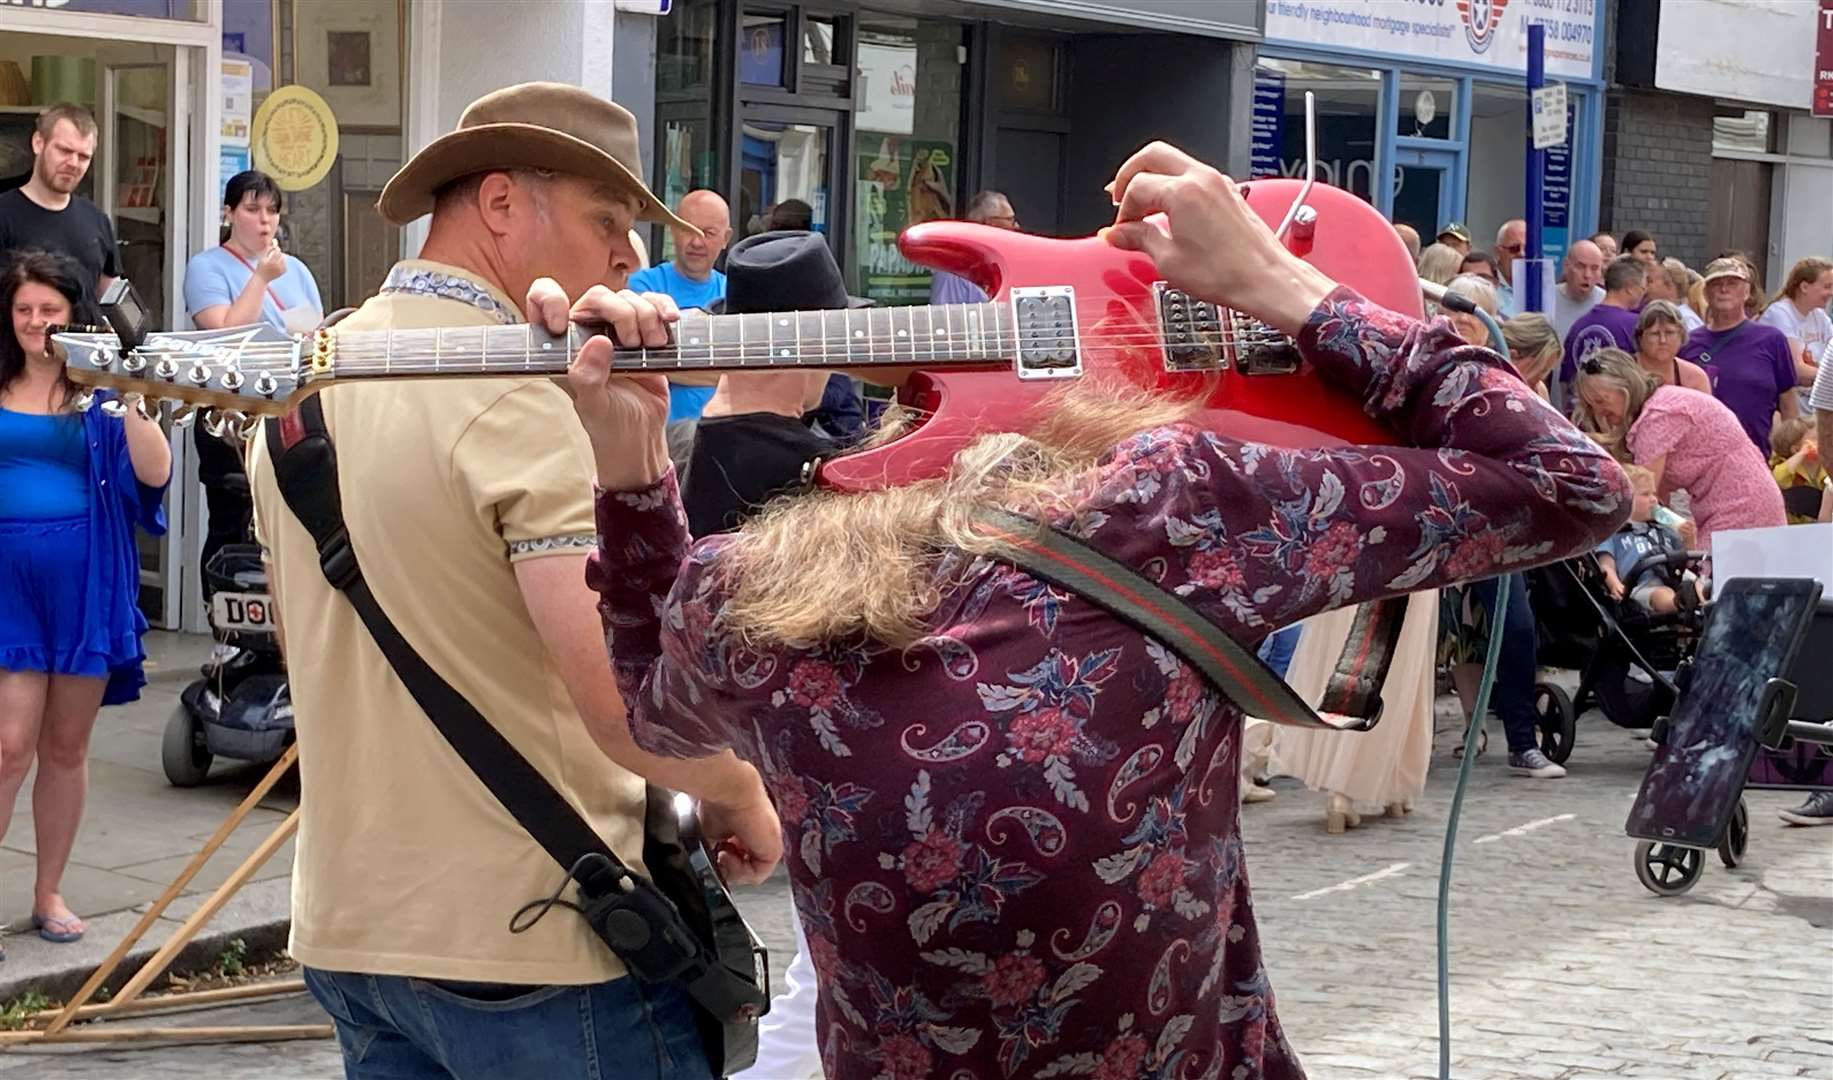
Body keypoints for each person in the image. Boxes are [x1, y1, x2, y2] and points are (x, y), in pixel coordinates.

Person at [566, 141, 1630, 1078]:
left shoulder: (751, 589)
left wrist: (629, 469)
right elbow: (1572, 484)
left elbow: (653, 711)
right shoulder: (1175, 508)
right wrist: (1286, 290)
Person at [244, 82, 780, 1078]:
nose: (628, 255)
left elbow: (311, 643)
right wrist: (738, 788)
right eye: (606, 219)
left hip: (352, 927)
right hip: (541, 938)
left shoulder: (307, 383)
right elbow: (623, 702)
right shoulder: (529, 396)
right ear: (499, 205)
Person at [0, 251, 169, 954]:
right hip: (8, 584)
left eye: (49, 310)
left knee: (65, 747)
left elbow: (154, 474)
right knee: (9, 745)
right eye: (24, 310)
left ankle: (50, 893)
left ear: (74, 316)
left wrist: (130, 392)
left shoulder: (98, 391)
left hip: (86, 585)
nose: (36, 323)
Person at [183, 169, 326, 583]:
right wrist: (261, 277)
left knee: (287, 519)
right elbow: (225, 334)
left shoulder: (295, 270)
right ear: (229, 213)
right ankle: (224, 628)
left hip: (287, 406)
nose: (264, 221)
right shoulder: (207, 267)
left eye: (271, 211)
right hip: (229, 410)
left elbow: (314, 334)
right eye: (252, 209)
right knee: (233, 517)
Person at [1575, 347, 1785, 553]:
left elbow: (1641, 498)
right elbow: (1655, 500)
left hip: (1741, 506)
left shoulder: (1657, 416)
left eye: (1601, 401)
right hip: (1744, 498)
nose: (1599, 412)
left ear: (1626, 388)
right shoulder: (1663, 403)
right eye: (1591, 406)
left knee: (1709, 579)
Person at [1270, 589, 1439, 833]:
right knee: (1397, 656)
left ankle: (1383, 783)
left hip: (1349, 562)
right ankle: (1359, 787)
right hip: (1405, 564)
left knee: (1339, 649)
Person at [628, 188, 733, 472]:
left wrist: (672, 359)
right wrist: (720, 368)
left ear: (726, 239)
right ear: (673, 229)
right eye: (688, 229)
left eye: (709, 233)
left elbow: (747, 373)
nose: (697, 241)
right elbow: (636, 362)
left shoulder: (736, 292)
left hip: (726, 433)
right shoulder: (643, 287)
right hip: (661, 437)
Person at [1680, 257, 1800, 455]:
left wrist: (1790, 453)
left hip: (1755, 455)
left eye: (1732, 284)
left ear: (1747, 292)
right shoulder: (1688, 343)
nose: (1724, 289)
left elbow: (1788, 402)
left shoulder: (1772, 340)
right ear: (1706, 293)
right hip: (1701, 456)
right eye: (1717, 284)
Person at [0, 104, 117, 289]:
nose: (73, 163)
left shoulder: (97, 220)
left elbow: (109, 297)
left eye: (83, 157)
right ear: (38, 143)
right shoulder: (4, 215)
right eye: (64, 151)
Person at [1594, 465, 1696, 616]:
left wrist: (1689, 539)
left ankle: (1700, 598)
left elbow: (1687, 562)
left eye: (1653, 493)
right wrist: (1615, 585)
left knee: (1698, 581)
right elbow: (1605, 565)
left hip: (1675, 579)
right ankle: (1682, 602)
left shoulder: (1665, 530)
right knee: (1661, 594)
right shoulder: (1614, 532)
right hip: (1640, 586)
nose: (1654, 499)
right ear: (1625, 499)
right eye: (1645, 494)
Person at [1562, 256, 1646, 386]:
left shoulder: (1578, 325)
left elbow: (1565, 381)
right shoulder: (1635, 324)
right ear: (1629, 287)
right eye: (1642, 288)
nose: (1643, 294)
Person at [929, 190, 1018, 305]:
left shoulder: (1003, 263)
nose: (1016, 226)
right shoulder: (953, 270)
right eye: (1010, 219)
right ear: (990, 223)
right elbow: (943, 319)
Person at [1759, 256, 1831, 386]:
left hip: (1810, 399)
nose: (1831, 293)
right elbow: (1795, 368)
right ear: (1804, 287)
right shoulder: (1780, 313)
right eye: (1827, 287)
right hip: (1786, 401)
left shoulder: (1819, 316)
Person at [1633, 300, 1712, 394]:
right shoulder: (1622, 373)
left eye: (1669, 333)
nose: (1662, 340)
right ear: (1640, 337)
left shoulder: (1695, 378)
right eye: (1654, 334)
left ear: (1681, 335)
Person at [1769, 417, 1825, 524]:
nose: (1821, 443)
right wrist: (1802, 454)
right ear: (1795, 449)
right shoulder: (1789, 468)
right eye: (1815, 439)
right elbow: (1778, 479)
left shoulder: (1824, 465)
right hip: (1794, 526)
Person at [1548, 239, 1605, 340]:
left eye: (1594, 268)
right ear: (1566, 266)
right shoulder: (1547, 298)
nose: (1587, 275)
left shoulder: (1605, 302)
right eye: (1580, 266)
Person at [1501, 312, 1560, 398]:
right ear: (1512, 356)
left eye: (1547, 372)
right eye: (1540, 370)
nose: (1542, 378)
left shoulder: (1540, 392)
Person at [1443, 271, 1500, 347]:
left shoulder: (1497, 358)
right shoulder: (1427, 355)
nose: (1464, 319)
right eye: (1457, 310)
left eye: (1473, 312)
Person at [1492, 218, 1526, 314]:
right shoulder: (1487, 286)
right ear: (1498, 252)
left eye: (1528, 248)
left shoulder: (1541, 290)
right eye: (1514, 248)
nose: (1522, 254)